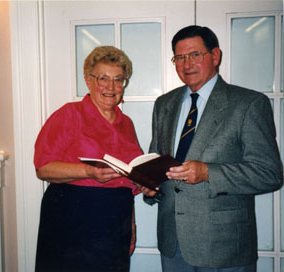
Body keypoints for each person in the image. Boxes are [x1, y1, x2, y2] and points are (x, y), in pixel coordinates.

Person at [142, 25, 283, 271]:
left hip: (225, 247)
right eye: (180, 57)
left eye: (195, 55)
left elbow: (269, 174)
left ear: (215, 56)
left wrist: (208, 173)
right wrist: (150, 185)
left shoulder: (248, 103)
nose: (187, 65)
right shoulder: (164, 104)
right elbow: (159, 161)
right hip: (173, 243)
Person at [34, 46, 143, 272]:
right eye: (103, 78)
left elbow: (127, 182)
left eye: (118, 79)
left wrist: (131, 223)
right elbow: (43, 168)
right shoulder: (69, 114)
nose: (111, 87)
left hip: (116, 217)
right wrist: (88, 171)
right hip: (73, 215)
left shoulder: (127, 124)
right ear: (88, 80)